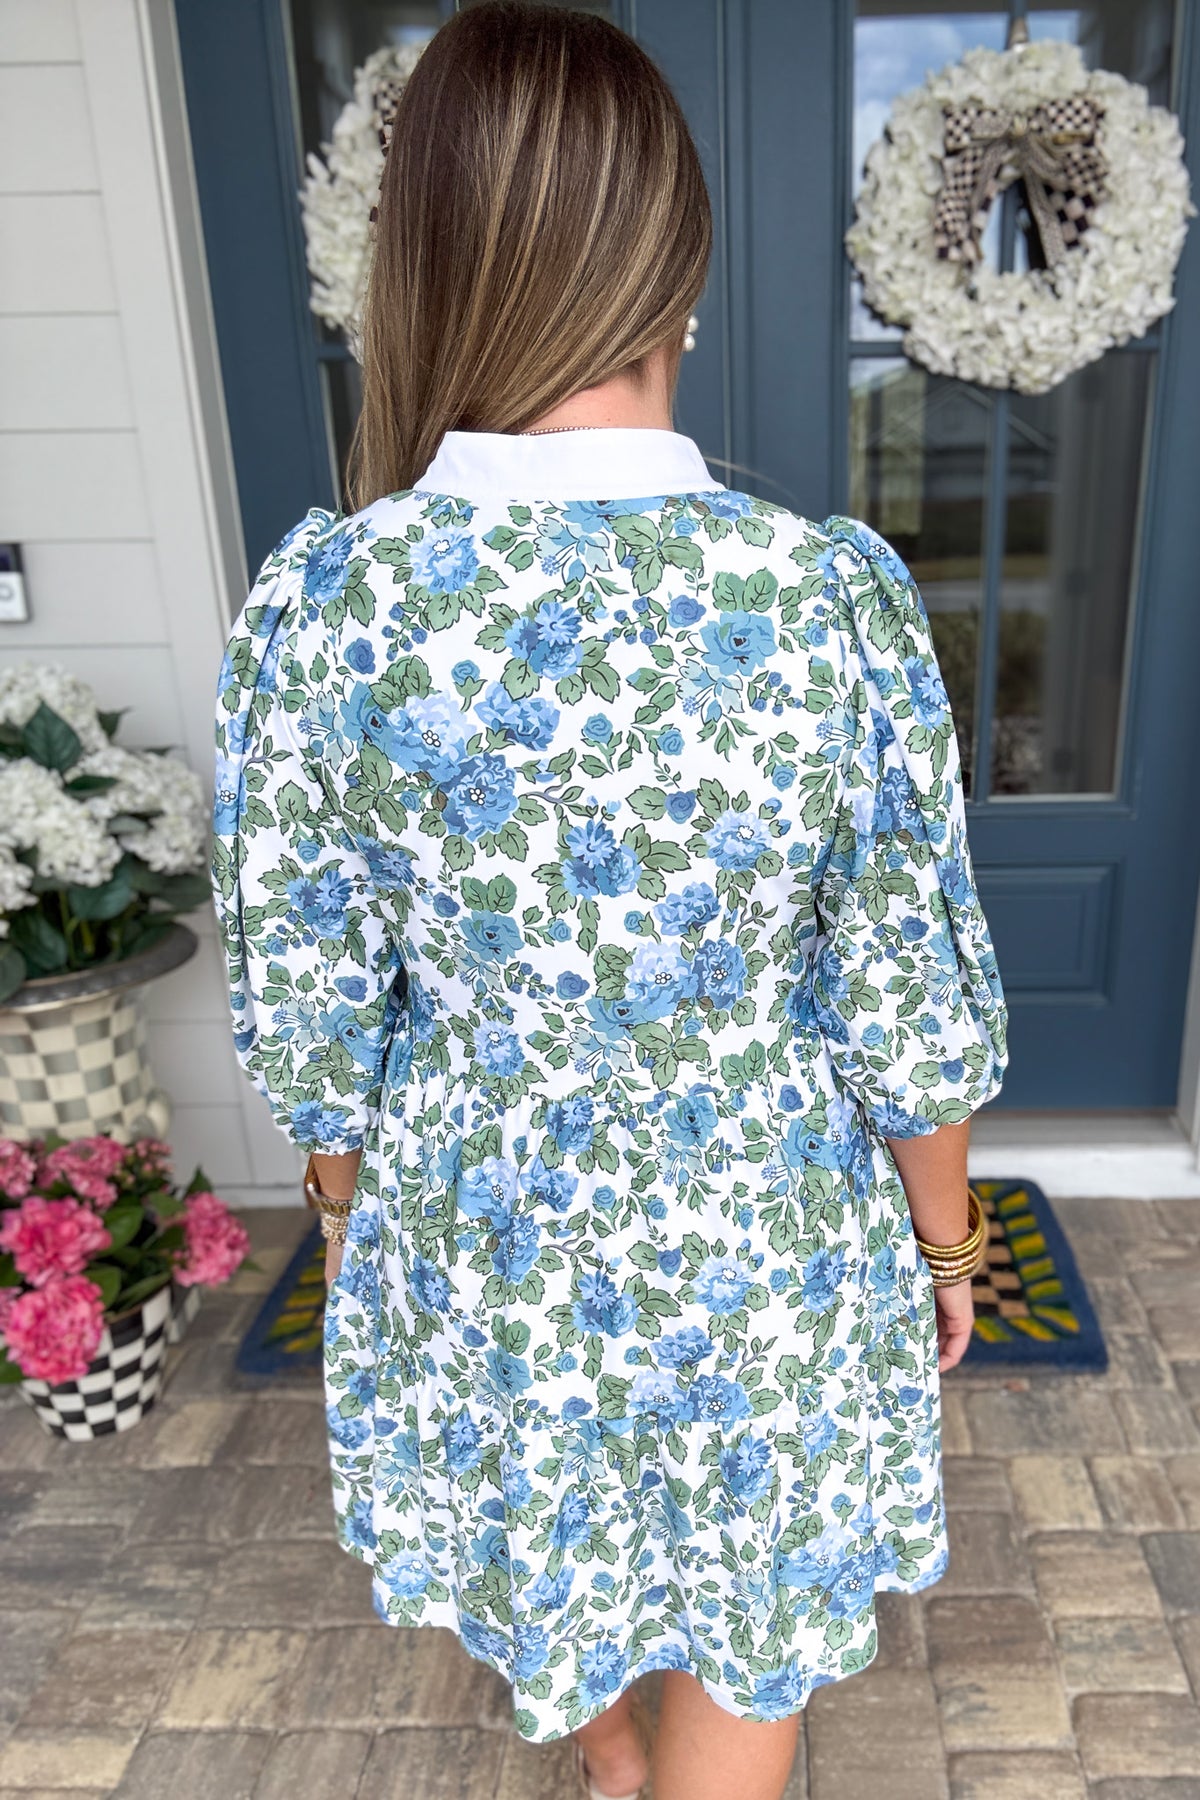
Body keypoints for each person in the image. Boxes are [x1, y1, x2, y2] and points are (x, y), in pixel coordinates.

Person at [212, 6, 1007, 1797]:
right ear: (680, 274)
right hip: (763, 1236)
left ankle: (615, 1766)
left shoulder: (328, 607)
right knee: (750, 1610)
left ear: (421, 267)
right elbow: (906, 996)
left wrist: (347, 1217)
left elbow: (313, 1017)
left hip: (483, 1233)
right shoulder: (819, 599)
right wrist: (947, 1243)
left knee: (540, 1549)